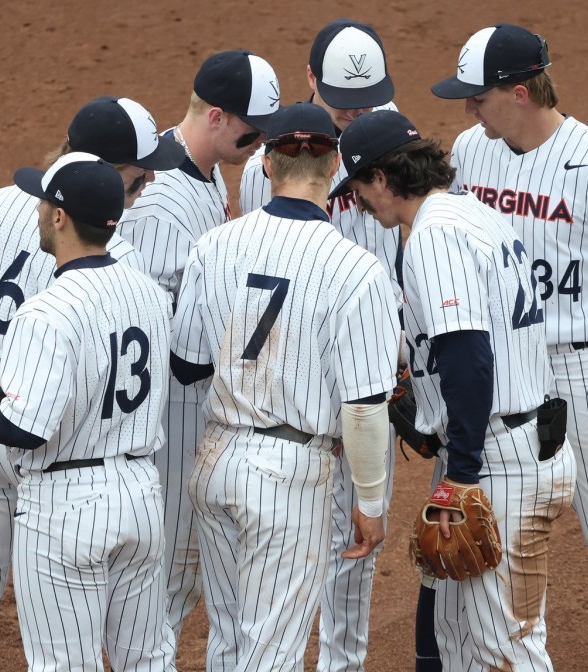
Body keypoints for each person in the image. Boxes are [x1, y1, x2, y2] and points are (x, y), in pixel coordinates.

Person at [432, 23, 588, 671]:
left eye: (478, 96)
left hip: (587, 374)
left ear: (518, 93)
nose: (467, 110)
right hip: (499, 373)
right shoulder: (472, 150)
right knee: (461, 533)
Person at [0, 98, 183, 672]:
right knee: (143, 653)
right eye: (137, 179)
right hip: (95, 462)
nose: (145, 186)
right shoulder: (130, 267)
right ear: (109, 181)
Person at [337, 108, 576, 671]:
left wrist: (461, 473)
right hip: (519, 442)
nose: (361, 204)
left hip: (497, 461)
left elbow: (469, 356)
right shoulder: (475, 214)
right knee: (458, 638)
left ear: (381, 179)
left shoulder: (435, 236)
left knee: (507, 649)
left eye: (359, 188)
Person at [170, 103, 399, 671]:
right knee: (272, 652)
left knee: (227, 642)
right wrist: (370, 502)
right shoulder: (356, 269)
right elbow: (366, 409)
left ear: (267, 165)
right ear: (335, 163)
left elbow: (187, 365)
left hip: (216, 460)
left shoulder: (214, 246)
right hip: (289, 479)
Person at [236, 22, 401, 669]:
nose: (356, 115)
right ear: (309, 80)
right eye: (342, 102)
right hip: (291, 397)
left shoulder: (397, 151)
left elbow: (405, 268)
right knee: (277, 555)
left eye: (366, 102)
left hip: (369, 387)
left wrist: (404, 360)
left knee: (355, 562)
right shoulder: (264, 169)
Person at [107, 50, 279, 657]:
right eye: (253, 130)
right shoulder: (160, 199)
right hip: (168, 416)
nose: (262, 144)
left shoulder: (202, 172)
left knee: (181, 581)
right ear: (216, 116)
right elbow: (145, 327)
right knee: (167, 580)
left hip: (193, 408)